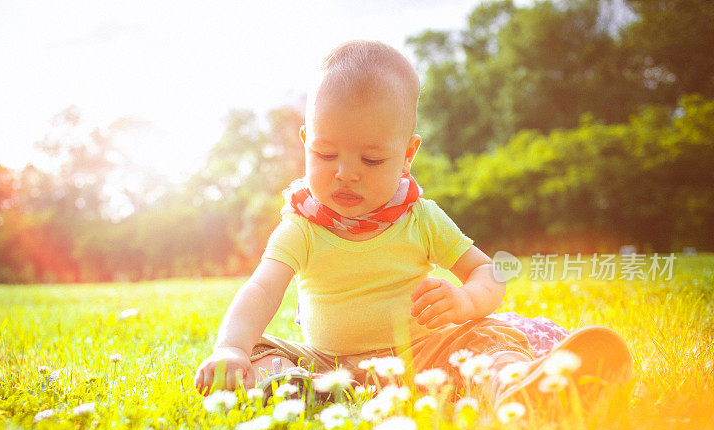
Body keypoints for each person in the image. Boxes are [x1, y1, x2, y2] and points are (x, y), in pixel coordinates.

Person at [193, 40, 631, 407]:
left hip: (421, 357)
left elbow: (488, 271)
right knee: (260, 348)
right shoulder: (302, 225)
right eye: (326, 154)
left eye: (372, 158)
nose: (346, 172)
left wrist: (467, 301)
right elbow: (261, 289)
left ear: (407, 153)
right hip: (329, 366)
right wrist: (232, 347)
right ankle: (296, 391)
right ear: (306, 141)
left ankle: (517, 387)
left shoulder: (421, 218)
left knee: (488, 336)